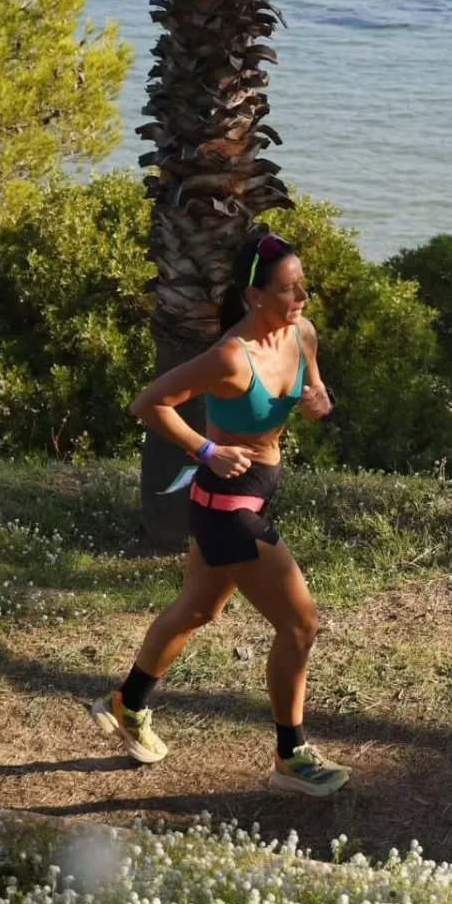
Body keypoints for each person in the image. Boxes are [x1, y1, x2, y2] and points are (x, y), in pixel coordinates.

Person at [91, 230, 350, 797]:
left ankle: (127, 700)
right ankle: (292, 755)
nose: (302, 296)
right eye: (288, 289)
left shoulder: (302, 334)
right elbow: (148, 403)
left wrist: (319, 405)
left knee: (196, 610)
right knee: (301, 624)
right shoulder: (231, 357)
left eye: (303, 284)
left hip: (253, 493)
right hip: (225, 506)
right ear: (254, 295)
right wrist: (207, 449)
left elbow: (317, 400)